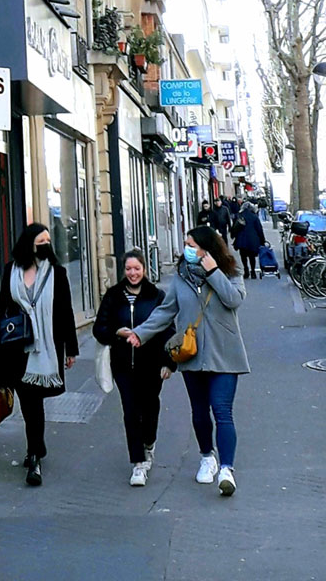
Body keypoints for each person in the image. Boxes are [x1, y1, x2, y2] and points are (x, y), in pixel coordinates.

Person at [127, 225, 248, 497]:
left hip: (225, 353)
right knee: (199, 411)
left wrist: (213, 272)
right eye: (186, 245)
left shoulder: (230, 271)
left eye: (192, 245)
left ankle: (226, 469)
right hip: (192, 354)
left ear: (207, 248)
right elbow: (166, 311)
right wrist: (140, 333)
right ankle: (207, 456)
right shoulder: (181, 277)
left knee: (222, 410)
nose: (187, 250)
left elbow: (233, 299)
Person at [0, 223, 78, 487]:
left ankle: (35, 456)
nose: (46, 245)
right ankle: (37, 445)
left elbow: (65, 312)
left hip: (44, 348)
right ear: (29, 244)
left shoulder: (57, 273)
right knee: (24, 401)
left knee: (33, 402)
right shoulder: (11, 271)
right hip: (15, 346)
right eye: (41, 241)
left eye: (48, 241)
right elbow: (2, 306)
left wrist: (71, 348)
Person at [93, 250, 173, 486]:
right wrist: (116, 332)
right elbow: (99, 329)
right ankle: (138, 463)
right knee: (130, 411)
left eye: (137, 268)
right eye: (128, 269)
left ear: (144, 269)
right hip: (122, 365)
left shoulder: (156, 296)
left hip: (151, 364)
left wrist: (169, 362)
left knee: (150, 408)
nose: (132, 273)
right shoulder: (113, 295)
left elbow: (168, 330)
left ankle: (149, 442)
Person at [233, 202, 266, 280]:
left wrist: (234, 237)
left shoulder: (239, 216)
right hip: (252, 240)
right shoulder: (254, 216)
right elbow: (259, 229)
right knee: (252, 257)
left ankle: (246, 270)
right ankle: (253, 271)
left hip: (241, 239)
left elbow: (235, 228)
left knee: (243, 256)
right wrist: (262, 240)